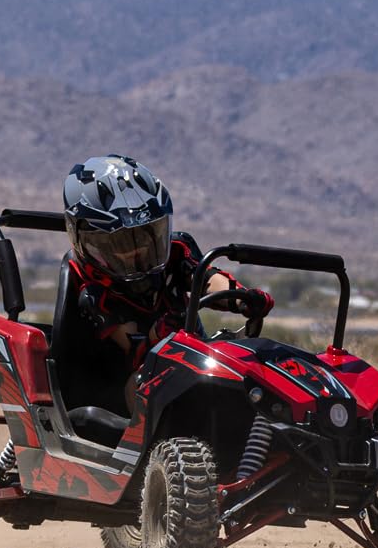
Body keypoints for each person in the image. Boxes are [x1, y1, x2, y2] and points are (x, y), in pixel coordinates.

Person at [63, 154, 273, 412]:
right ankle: (164, 448)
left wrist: (243, 299)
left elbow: (205, 279)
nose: (136, 250)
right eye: (120, 243)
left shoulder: (176, 253)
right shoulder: (93, 291)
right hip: (123, 392)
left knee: (254, 364)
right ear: (87, 240)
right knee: (146, 379)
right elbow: (134, 347)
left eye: (147, 235)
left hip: (194, 367)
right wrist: (162, 331)